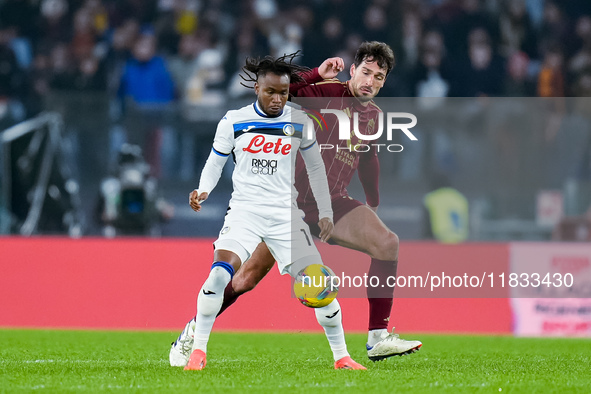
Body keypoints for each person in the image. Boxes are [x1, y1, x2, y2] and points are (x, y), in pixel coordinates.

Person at [171, 42, 421, 365]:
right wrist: (317, 73)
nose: (370, 81)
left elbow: (369, 158)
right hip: (288, 204)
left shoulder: (373, 116)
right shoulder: (325, 93)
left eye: (379, 76)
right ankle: (193, 331)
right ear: (354, 69)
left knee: (388, 244)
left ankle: (377, 337)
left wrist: (372, 200)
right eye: (366, 72)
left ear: (384, 81)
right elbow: (283, 92)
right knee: (245, 279)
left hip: (333, 203)